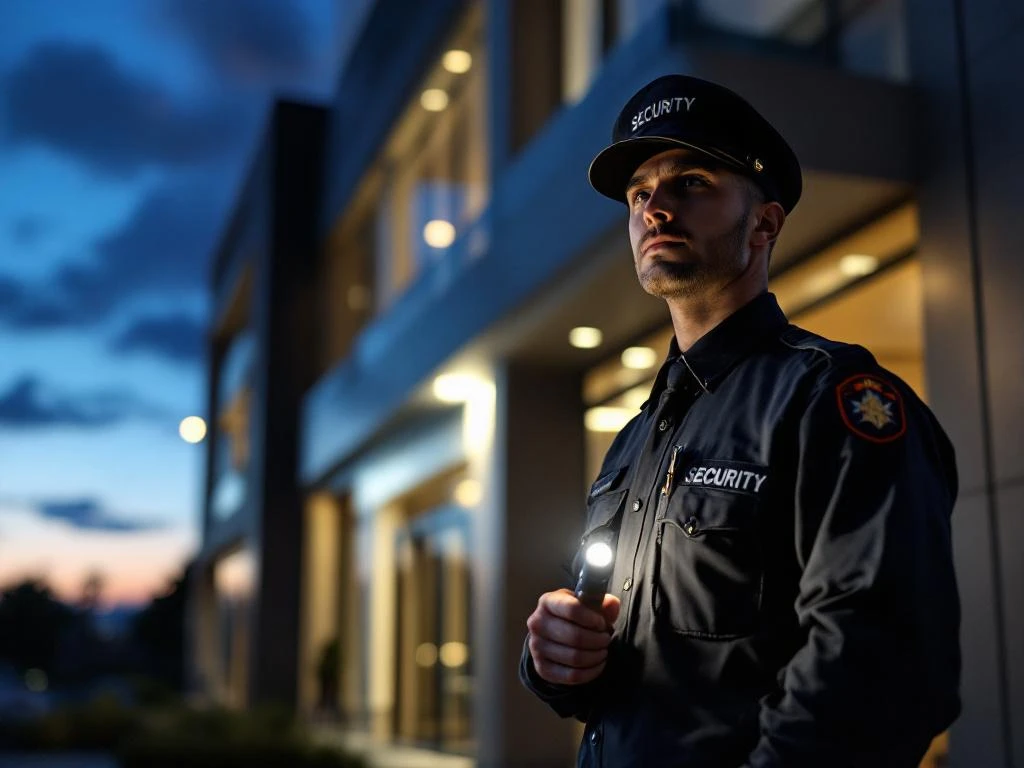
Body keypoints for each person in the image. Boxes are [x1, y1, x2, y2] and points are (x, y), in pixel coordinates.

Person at [519, 74, 961, 768]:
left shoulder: (831, 398)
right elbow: (641, 678)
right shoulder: (637, 439)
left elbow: (881, 670)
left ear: (764, 223)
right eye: (639, 193)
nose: (654, 208)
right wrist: (555, 661)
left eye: (691, 182)